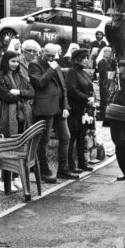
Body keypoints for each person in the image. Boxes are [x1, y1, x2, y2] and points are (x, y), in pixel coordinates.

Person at [29, 42, 76, 183]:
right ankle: (44, 170)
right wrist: (50, 69)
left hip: (59, 108)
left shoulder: (56, 64)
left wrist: (66, 106)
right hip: (44, 108)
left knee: (65, 136)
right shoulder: (35, 65)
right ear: (42, 52)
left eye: (53, 56)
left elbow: (63, 87)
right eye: (48, 55)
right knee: (43, 140)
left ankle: (63, 169)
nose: (50, 58)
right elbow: (40, 83)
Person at [0, 50, 35, 192]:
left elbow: (32, 92)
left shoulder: (20, 75)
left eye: (17, 61)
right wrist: (23, 96)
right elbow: (5, 97)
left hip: (22, 116)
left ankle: (15, 177)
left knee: (20, 146)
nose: (15, 64)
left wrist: (19, 92)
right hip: (7, 117)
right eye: (12, 61)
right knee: (8, 147)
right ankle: (3, 181)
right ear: (6, 61)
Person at [66, 48, 96, 174]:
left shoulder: (84, 73)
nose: (86, 60)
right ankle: (71, 165)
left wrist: (93, 97)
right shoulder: (72, 72)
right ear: (77, 59)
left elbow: (90, 87)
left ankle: (82, 163)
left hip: (84, 109)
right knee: (73, 137)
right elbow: (71, 90)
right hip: (75, 109)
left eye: (87, 58)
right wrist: (86, 99)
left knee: (82, 136)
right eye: (84, 58)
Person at [96, 46, 116, 122]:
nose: (109, 53)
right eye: (106, 51)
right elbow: (102, 72)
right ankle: (103, 117)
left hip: (112, 82)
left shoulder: (112, 61)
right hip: (104, 83)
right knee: (104, 100)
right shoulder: (101, 62)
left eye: (110, 51)